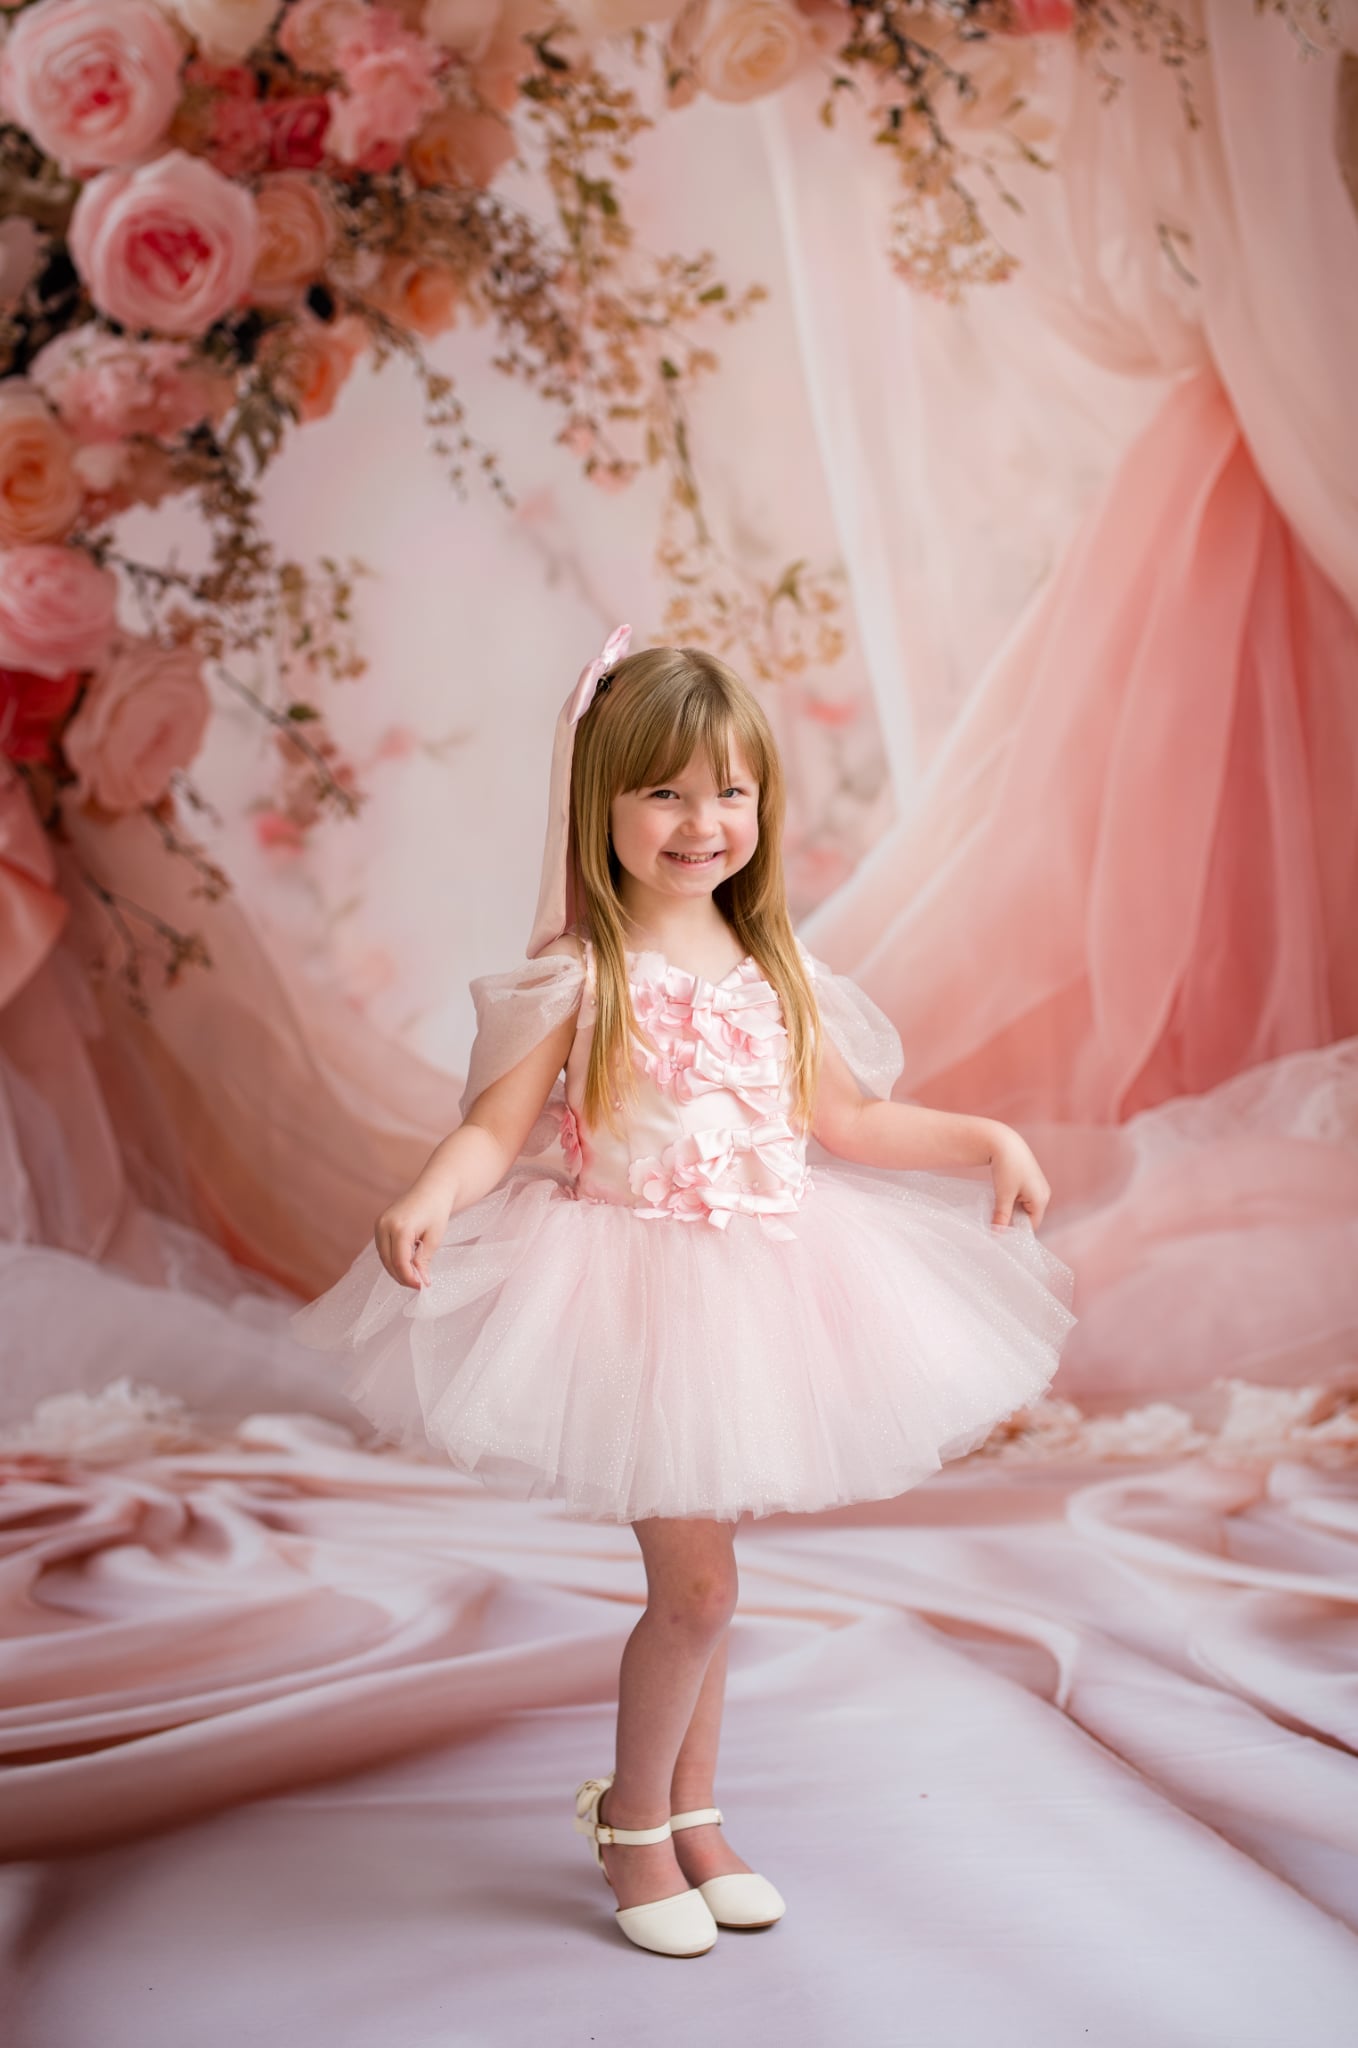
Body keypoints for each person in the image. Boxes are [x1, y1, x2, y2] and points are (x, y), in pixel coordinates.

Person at [290, 627, 1077, 1959]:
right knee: (698, 1590)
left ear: (761, 809)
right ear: (597, 803)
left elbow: (852, 1123)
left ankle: (694, 1813)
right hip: (628, 1297)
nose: (700, 822)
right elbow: (494, 1129)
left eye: (729, 792)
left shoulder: (779, 972)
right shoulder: (578, 974)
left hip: (763, 1288)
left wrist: (981, 1142)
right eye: (662, 791)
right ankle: (634, 1822)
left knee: (713, 1581)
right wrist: (432, 1193)